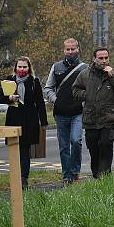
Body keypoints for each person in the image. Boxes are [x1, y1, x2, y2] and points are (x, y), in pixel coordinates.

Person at [72, 47, 114, 179]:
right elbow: (75, 90)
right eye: (101, 58)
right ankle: (96, 174)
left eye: (106, 58)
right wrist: (86, 95)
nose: (104, 61)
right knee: (93, 148)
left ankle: (105, 176)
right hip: (91, 118)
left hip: (108, 118)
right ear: (94, 59)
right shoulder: (85, 74)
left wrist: (112, 76)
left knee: (106, 145)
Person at [0, 57, 48, 189]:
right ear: (15, 68)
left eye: (24, 67)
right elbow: (0, 98)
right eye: (19, 67)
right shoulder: (10, 80)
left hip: (29, 119)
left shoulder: (34, 81)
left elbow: (40, 102)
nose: (22, 69)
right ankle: (15, 176)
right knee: (14, 148)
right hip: (13, 117)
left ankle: (23, 178)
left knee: (25, 149)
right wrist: (10, 98)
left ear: (29, 68)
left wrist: (43, 122)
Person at [44, 38, 87, 184]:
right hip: (61, 113)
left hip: (77, 112)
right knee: (63, 146)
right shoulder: (56, 67)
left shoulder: (84, 68)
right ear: (64, 50)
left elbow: (88, 89)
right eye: (67, 49)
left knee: (76, 141)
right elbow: (48, 88)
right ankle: (66, 175)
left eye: (72, 49)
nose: (70, 52)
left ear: (77, 49)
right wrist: (56, 100)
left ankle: (75, 172)